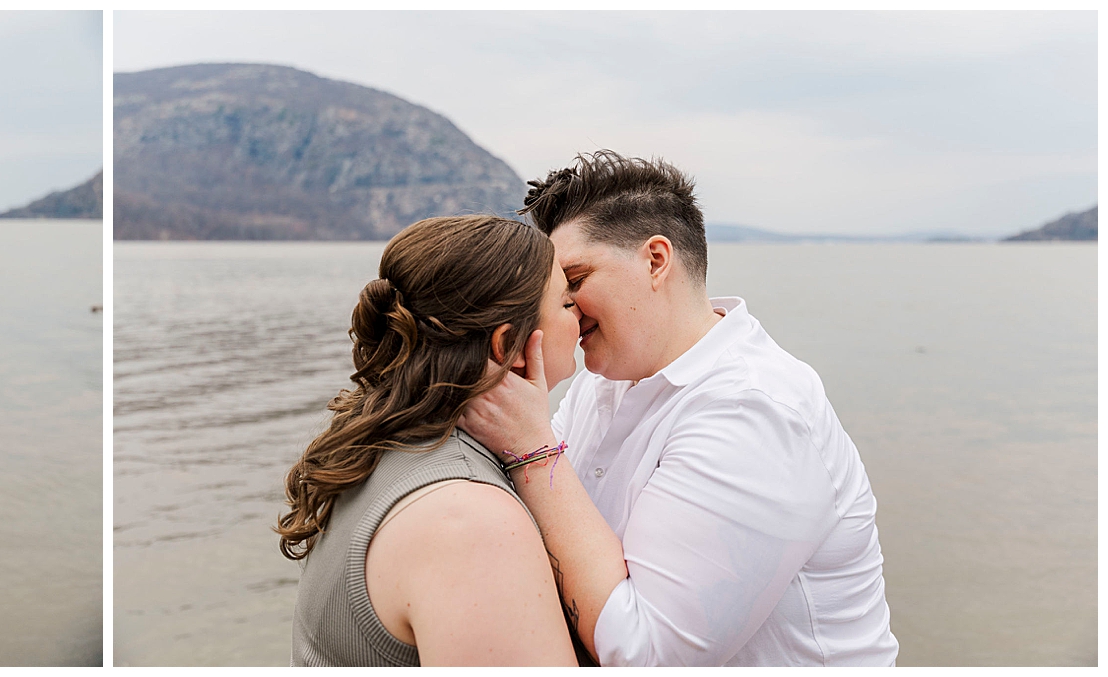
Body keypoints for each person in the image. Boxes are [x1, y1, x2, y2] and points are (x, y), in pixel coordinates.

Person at [459, 150, 898, 666]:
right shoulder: (602, 384)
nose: (566, 309)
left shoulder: (751, 410)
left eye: (575, 280)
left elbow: (647, 655)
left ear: (656, 259)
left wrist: (533, 449)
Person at [281, 215, 586, 666]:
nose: (581, 314)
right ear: (507, 346)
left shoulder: (378, 441)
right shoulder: (469, 524)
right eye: (566, 303)